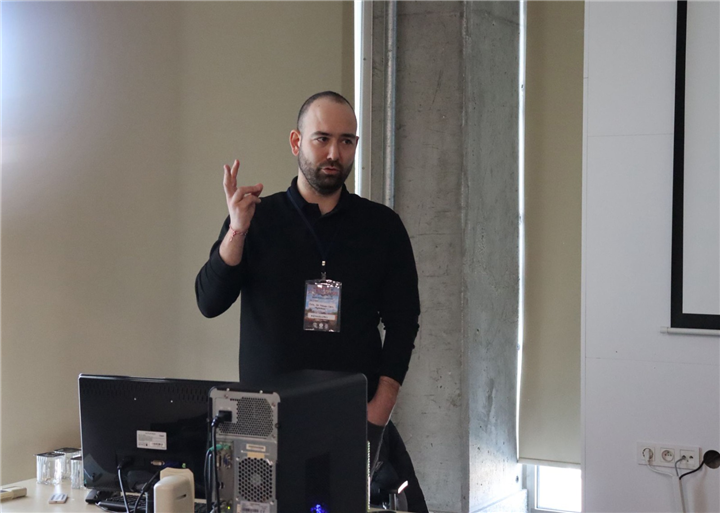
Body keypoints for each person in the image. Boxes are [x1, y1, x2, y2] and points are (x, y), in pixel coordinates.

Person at [195, 91, 428, 512]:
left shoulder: (382, 227)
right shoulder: (255, 219)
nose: (334, 153)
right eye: (322, 139)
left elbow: (404, 321)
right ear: (296, 142)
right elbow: (209, 301)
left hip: (354, 417)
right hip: (263, 421)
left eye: (346, 141)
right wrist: (236, 231)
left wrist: (381, 408)